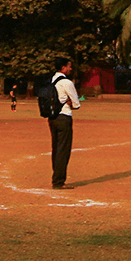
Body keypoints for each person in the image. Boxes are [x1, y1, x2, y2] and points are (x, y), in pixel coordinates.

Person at [47, 59, 81, 189]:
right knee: (63, 150)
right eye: (69, 66)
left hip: (52, 117)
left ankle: (56, 175)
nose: (70, 69)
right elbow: (76, 104)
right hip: (64, 117)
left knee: (56, 148)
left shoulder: (51, 80)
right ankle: (58, 180)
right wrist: (70, 102)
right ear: (63, 68)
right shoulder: (67, 82)